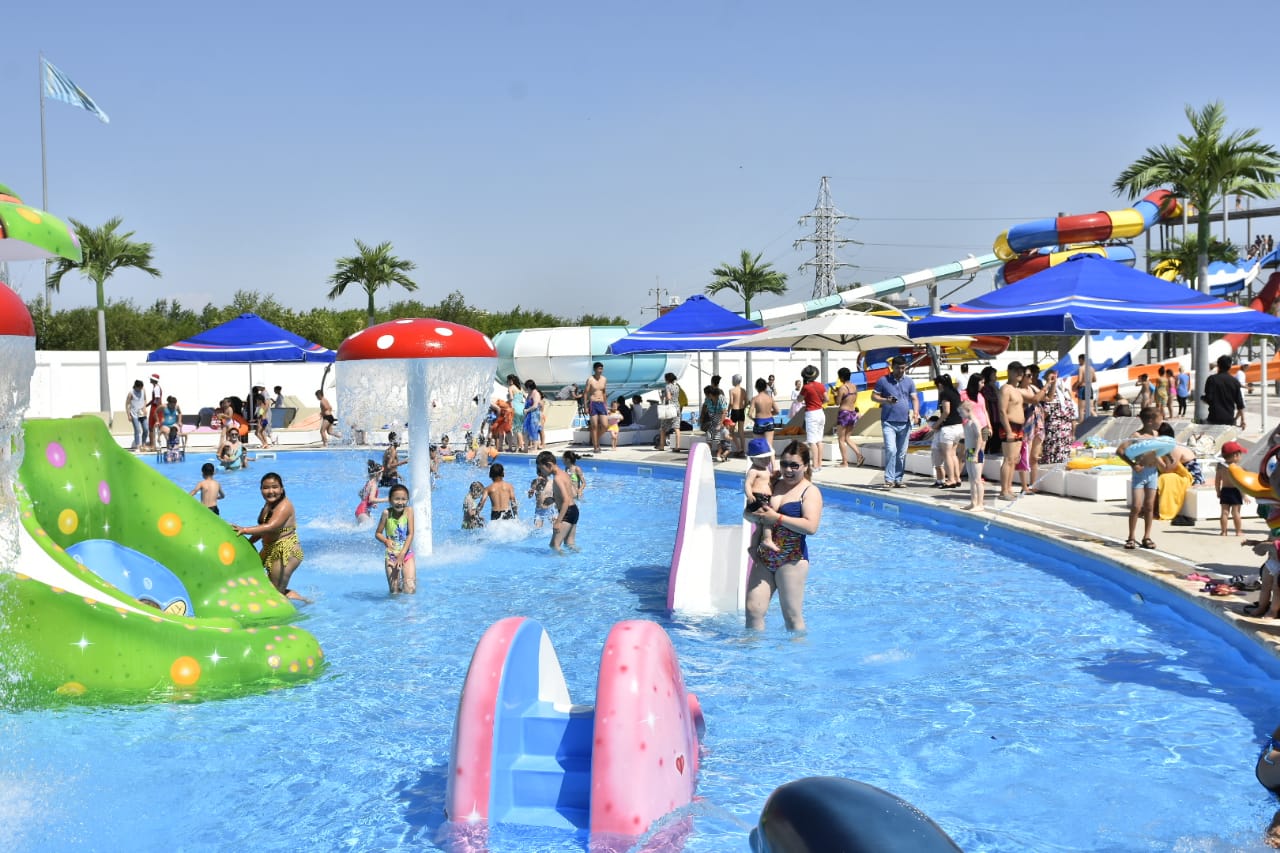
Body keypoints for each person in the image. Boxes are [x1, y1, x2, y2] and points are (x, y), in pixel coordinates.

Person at [743, 440, 823, 632]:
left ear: (805, 466)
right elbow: (748, 514)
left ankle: (796, 651)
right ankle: (751, 649)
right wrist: (753, 513)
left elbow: (811, 527)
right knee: (753, 610)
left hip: (791, 558)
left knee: (791, 616)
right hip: (765, 556)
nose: (788, 470)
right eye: (784, 464)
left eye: (794, 465)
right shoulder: (774, 483)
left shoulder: (810, 492)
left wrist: (777, 518)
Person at [231, 472, 305, 600]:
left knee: (275, 594)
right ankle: (304, 601)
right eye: (266, 488)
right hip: (269, 549)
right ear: (261, 489)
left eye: (275, 487)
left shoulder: (285, 506)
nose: (270, 491)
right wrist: (247, 544)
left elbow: (271, 526)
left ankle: (304, 604)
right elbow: (263, 530)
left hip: (285, 552)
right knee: (258, 582)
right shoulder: (268, 505)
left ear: (281, 489)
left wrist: (244, 530)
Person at [1118, 407, 1178, 551]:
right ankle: (1131, 537)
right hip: (1140, 473)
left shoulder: (1157, 435)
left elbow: (1158, 448)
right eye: (1160, 420)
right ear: (1150, 421)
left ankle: (1147, 536)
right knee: (1136, 506)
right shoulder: (1136, 436)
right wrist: (1133, 465)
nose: (1161, 422)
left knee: (1150, 506)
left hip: (1152, 473)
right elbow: (1120, 451)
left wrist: (1168, 455)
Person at [997, 362, 1047, 501]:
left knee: (1014, 460)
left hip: (1019, 427)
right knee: (1008, 459)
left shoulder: (1016, 390)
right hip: (1010, 426)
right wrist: (1008, 430)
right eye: (1016, 371)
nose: (1019, 374)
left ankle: (1008, 488)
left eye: (1021, 371)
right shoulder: (1006, 389)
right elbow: (1002, 411)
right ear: (1009, 371)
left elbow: (1036, 399)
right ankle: (1003, 491)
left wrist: (1049, 384)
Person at [871, 356, 919, 488]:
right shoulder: (883, 380)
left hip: (905, 422)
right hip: (888, 421)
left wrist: (916, 413)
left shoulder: (909, 381)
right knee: (891, 450)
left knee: (901, 453)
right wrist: (886, 400)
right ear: (892, 367)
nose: (901, 370)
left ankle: (898, 479)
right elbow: (873, 396)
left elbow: (914, 398)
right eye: (898, 368)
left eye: (903, 368)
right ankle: (889, 479)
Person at [375, 483, 416, 594]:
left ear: (407, 500)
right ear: (390, 500)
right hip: (392, 556)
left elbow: (410, 534)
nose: (400, 502)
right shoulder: (386, 513)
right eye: (397, 499)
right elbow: (378, 533)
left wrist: (402, 554)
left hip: (406, 554)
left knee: (410, 588)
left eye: (404, 499)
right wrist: (385, 540)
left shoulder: (409, 511)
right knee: (395, 590)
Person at [537, 450, 579, 553]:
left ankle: (561, 563)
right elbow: (572, 494)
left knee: (554, 545)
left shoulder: (557, 479)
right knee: (569, 544)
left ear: (549, 465)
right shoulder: (564, 474)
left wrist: (558, 522)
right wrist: (554, 499)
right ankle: (579, 559)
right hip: (573, 510)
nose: (541, 472)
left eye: (542, 468)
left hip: (567, 512)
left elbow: (566, 500)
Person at [744, 437, 779, 554]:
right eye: (762, 459)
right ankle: (767, 539)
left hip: (765, 498)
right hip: (757, 498)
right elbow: (748, 483)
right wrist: (749, 494)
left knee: (760, 527)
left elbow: (769, 481)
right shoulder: (754, 470)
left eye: (767, 458)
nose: (766, 460)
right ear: (752, 459)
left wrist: (775, 477)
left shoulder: (765, 469)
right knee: (769, 518)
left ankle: (753, 547)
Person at [1038, 369, 1077, 465]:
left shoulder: (1051, 395)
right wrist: (1073, 434)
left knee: (1052, 457)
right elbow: (1073, 417)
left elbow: (1046, 412)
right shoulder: (1066, 394)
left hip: (1054, 430)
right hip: (1066, 431)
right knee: (1062, 457)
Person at [933, 374, 963, 487]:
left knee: (947, 455)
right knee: (953, 454)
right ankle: (957, 478)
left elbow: (946, 411)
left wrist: (936, 424)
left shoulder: (944, 393)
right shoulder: (955, 393)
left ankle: (951, 479)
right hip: (959, 426)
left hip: (949, 428)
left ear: (940, 384)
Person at [960, 399, 989, 511]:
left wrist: (976, 453)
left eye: (961, 412)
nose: (960, 414)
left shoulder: (975, 423)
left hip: (976, 451)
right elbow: (968, 439)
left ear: (968, 410)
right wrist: (965, 453)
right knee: (971, 479)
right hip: (969, 451)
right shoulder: (968, 423)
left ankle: (980, 504)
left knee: (977, 479)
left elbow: (980, 438)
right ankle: (973, 503)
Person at [833, 367, 865, 468]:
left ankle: (844, 462)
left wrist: (835, 394)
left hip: (844, 413)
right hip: (852, 413)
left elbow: (837, 402)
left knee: (841, 439)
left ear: (841, 377)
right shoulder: (854, 386)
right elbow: (854, 400)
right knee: (847, 438)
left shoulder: (842, 388)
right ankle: (859, 455)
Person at [1203, 355, 1246, 428]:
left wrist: (1202, 399)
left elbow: (1208, 399)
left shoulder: (1212, 379)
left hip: (1214, 418)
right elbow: (1240, 403)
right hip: (1229, 419)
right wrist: (1243, 420)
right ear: (1230, 366)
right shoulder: (1234, 381)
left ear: (1218, 365)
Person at [798, 365, 827, 472]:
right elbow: (827, 399)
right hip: (820, 412)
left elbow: (799, 399)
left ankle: (814, 466)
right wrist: (820, 403)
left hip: (811, 414)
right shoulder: (821, 385)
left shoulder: (806, 387)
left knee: (812, 441)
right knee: (819, 440)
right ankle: (819, 464)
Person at [1217, 440, 1246, 536]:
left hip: (1225, 491)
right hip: (1235, 491)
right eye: (1240, 455)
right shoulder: (1237, 468)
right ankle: (1238, 531)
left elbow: (1217, 481)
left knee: (1224, 512)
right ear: (1235, 456)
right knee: (1236, 513)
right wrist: (1244, 495)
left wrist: (1218, 491)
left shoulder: (1220, 467)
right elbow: (1240, 483)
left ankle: (1224, 531)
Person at [701, 383, 729, 462]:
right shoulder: (708, 400)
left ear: (710, 394)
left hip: (720, 419)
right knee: (709, 438)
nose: (705, 397)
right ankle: (708, 455)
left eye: (706, 395)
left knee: (718, 439)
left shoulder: (721, 399)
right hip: (711, 420)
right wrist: (702, 417)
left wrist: (720, 424)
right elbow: (704, 407)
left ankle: (719, 454)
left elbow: (724, 412)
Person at [585, 361, 608, 453]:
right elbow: (585, 393)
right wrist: (585, 407)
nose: (600, 370)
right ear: (594, 369)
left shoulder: (604, 379)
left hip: (601, 403)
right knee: (594, 426)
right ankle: (596, 446)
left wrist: (606, 404)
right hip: (593, 403)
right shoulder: (590, 380)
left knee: (605, 426)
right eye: (599, 368)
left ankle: (596, 438)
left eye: (601, 368)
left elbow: (604, 392)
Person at [657, 372, 683, 452]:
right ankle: (677, 446)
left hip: (669, 409)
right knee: (676, 427)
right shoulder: (677, 386)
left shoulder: (667, 386)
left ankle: (661, 446)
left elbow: (668, 397)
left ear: (667, 379)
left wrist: (662, 397)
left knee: (663, 428)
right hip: (677, 407)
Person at [727, 374, 748, 457]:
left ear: (734, 380)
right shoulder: (743, 390)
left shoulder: (731, 390)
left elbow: (731, 403)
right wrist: (743, 407)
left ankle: (739, 448)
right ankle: (743, 450)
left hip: (735, 411)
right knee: (741, 431)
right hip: (741, 411)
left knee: (731, 431)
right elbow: (747, 401)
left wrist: (728, 410)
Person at [125, 379, 148, 452]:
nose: (141, 389)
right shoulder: (131, 393)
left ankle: (143, 444)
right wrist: (128, 415)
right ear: (136, 386)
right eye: (140, 387)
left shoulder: (143, 390)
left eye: (142, 387)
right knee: (137, 430)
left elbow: (145, 400)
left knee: (146, 429)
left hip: (142, 413)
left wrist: (144, 408)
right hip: (134, 414)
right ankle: (137, 446)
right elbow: (127, 404)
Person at [507, 374, 527, 452]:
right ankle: (518, 447)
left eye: (508, 380)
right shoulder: (520, 388)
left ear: (511, 380)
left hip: (515, 408)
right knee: (519, 428)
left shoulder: (511, 387)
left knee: (517, 429)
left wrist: (506, 402)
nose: (507, 382)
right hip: (522, 408)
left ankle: (521, 445)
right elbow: (526, 397)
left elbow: (511, 398)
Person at [523, 379, 545, 451]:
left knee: (534, 431)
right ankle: (526, 448)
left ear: (529, 387)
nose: (525, 389)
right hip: (528, 415)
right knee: (525, 431)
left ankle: (535, 448)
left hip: (534, 415)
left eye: (526, 387)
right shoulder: (529, 393)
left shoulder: (536, 394)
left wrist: (527, 410)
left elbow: (535, 406)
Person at [1075, 354, 1096, 423]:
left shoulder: (1081, 368)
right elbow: (1094, 379)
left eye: (1079, 360)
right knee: (1090, 408)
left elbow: (1080, 380)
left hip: (1083, 388)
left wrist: (1075, 387)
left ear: (1081, 360)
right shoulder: (1091, 368)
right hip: (1089, 388)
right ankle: (1096, 419)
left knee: (1081, 409)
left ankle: (1080, 422)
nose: (1078, 362)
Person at [146, 374, 164, 450]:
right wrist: (147, 405)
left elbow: (157, 399)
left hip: (155, 408)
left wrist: (157, 408)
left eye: (151, 379)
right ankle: (154, 444)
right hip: (155, 407)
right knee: (155, 426)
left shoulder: (156, 388)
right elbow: (154, 399)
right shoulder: (156, 387)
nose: (149, 380)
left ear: (153, 380)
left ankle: (152, 445)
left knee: (151, 426)